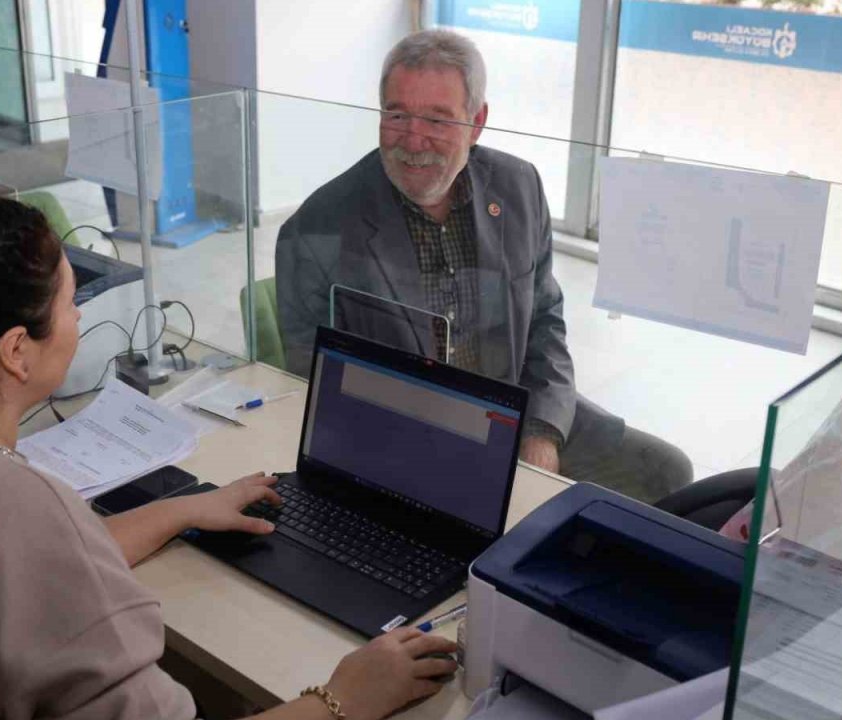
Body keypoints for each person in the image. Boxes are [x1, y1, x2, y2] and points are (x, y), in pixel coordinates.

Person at [0, 195, 458, 720]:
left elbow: (23, 568)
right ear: (15, 349)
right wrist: (342, 697)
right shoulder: (20, 512)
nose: (79, 316)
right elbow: (32, 550)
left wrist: (182, 508)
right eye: (70, 301)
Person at [276, 29, 692, 503]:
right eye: (397, 114)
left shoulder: (519, 187)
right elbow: (317, 392)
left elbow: (544, 321)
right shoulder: (316, 231)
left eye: (438, 119)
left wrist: (541, 432)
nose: (414, 140)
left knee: (669, 473)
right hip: (405, 440)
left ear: (477, 123)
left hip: (514, 411)